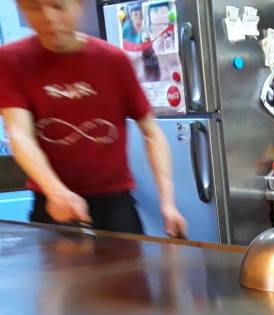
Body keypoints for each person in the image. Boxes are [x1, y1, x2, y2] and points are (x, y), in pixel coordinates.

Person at [0, 0, 187, 237]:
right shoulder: (11, 60)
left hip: (114, 205)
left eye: (57, 6)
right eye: (34, 8)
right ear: (21, 9)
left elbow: (152, 132)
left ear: (79, 6)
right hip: (52, 204)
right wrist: (56, 192)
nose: (47, 17)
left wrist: (168, 203)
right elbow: (19, 134)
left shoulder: (112, 60)